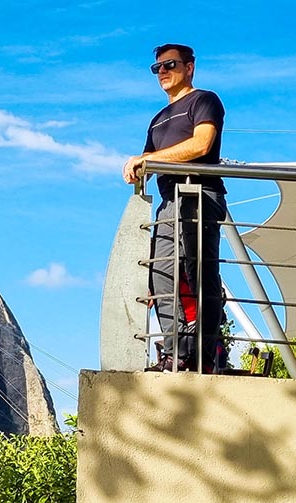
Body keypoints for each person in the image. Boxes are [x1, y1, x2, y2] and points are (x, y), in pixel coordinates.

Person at [123, 43, 227, 372]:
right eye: (157, 68)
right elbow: (146, 163)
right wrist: (135, 168)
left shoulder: (204, 100)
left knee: (200, 273)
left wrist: (146, 159)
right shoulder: (157, 120)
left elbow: (202, 144)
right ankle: (175, 355)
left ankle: (205, 355)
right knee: (161, 276)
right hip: (168, 202)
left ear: (190, 67)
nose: (163, 72)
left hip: (200, 196)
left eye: (170, 65)